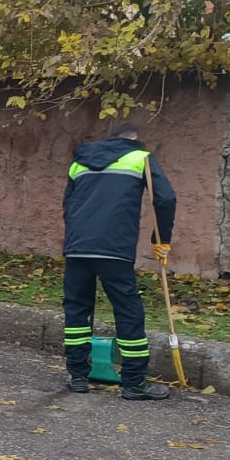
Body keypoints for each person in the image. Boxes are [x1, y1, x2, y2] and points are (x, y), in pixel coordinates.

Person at [62, 122, 176, 400]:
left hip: (77, 247)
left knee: (77, 309)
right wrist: (160, 239)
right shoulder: (141, 158)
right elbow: (165, 198)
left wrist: (78, 234)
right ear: (134, 139)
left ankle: (78, 376)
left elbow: (67, 205)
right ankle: (134, 382)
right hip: (114, 248)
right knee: (128, 311)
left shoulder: (80, 162)